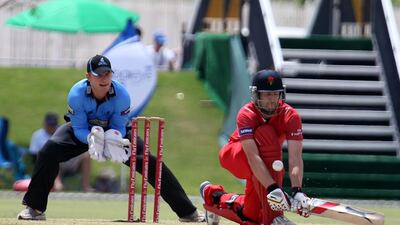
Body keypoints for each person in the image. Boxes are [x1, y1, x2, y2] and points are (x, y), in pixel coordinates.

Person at [17, 54, 204, 222]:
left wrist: (112, 140)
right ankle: (35, 208)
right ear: (88, 76)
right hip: (84, 131)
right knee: (49, 151)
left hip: (116, 131)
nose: (104, 78)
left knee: (150, 162)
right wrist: (92, 138)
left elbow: (119, 126)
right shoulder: (76, 94)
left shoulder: (122, 95)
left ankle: (188, 212)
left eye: (108, 73)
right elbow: (79, 127)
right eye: (98, 74)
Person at [200, 70, 310, 225]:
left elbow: (295, 158)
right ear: (256, 95)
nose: (272, 100)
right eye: (266, 95)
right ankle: (274, 218)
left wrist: (297, 191)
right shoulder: (246, 113)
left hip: (263, 165)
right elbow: (253, 157)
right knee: (265, 135)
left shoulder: (290, 116)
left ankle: (213, 196)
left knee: (251, 215)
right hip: (236, 155)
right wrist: (272, 188)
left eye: (275, 94)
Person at [28, 112, 91, 192]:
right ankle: (58, 185)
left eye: (53, 125)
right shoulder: (37, 135)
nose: (51, 127)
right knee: (53, 156)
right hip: (48, 162)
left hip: (68, 159)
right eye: (49, 125)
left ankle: (86, 187)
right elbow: (34, 155)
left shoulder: (63, 132)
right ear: (44, 124)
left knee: (86, 156)